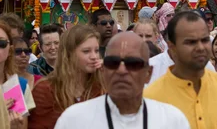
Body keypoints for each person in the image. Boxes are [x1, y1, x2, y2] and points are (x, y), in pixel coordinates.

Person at [54, 31, 189, 129]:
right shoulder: (74, 119)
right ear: (103, 70)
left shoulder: (172, 120)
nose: (121, 71)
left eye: (133, 64)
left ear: (148, 73)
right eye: (113, 63)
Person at [144, 11, 217, 129]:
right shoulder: (150, 99)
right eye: (190, 42)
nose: (200, 47)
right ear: (172, 47)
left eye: (204, 40)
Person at [29, 24, 104, 129]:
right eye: (86, 51)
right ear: (69, 54)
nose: (94, 56)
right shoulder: (45, 89)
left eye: (96, 50)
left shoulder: (102, 87)